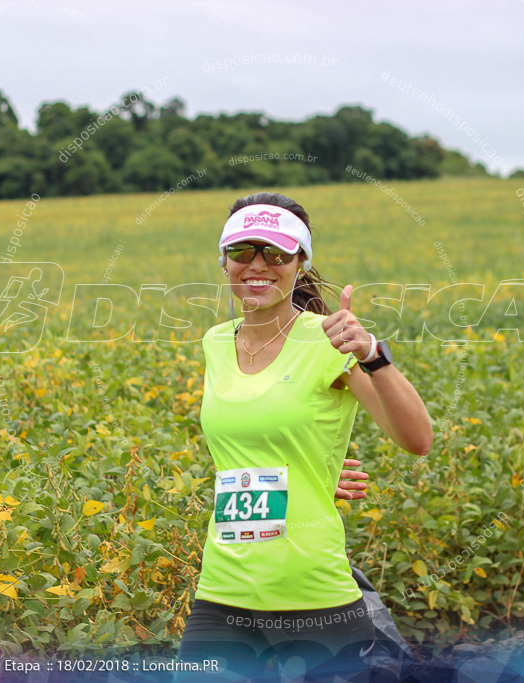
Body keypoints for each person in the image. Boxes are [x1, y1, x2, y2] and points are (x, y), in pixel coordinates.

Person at [177, 192, 433, 682]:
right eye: (242, 251)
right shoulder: (214, 342)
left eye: (275, 253)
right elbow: (248, 449)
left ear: (300, 262)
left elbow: (417, 439)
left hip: (314, 598)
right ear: (223, 259)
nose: (257, 265)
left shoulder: (329, 340)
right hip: (222, 591)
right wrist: (310, 473)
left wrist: (372, 355)